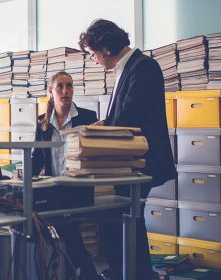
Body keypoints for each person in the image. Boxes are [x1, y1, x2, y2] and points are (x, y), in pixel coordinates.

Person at [78, 19, 177, 280]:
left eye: (92, 54)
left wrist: (102, 126)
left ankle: (136, 273)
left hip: (140, 160)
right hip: (127, 161)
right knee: (122, 218)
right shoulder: (126, 68)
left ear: (105, 48)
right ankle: (124, 272)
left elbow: (131, 115)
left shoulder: (143, 67)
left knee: (127, 218)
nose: (94, 60)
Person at [32, 71, 98, 279]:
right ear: (51, 91)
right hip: (54, 189)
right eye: (59, 86)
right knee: (36, 221)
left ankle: (81, 270)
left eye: (69, 86)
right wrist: (24, 181)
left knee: (63, 226)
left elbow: (95, 155)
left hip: (79, 190)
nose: (65, 91)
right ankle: (83, 271)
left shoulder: (87, 117)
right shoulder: (43, 122)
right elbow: (38, 160)